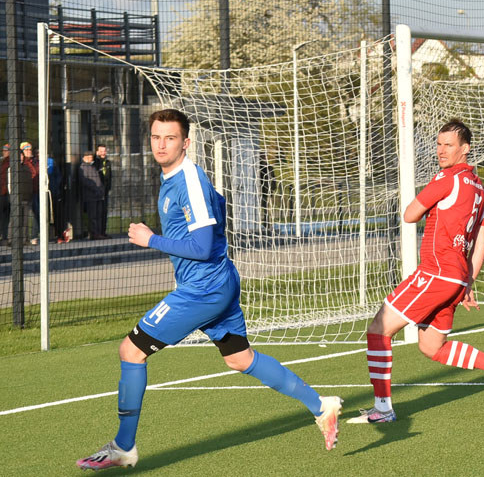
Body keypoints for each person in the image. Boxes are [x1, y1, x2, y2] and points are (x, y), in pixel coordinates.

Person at [76, 109, 342, 471]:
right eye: (156, 137)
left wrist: (149, 238)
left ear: (185, 142)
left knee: (131, 351)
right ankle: (321, 405)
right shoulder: (177, 177)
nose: (161, 144)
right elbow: (219, 209)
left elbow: (201, 247)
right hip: (218, 281)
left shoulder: (189, 181)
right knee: (239, 358)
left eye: (170, 138)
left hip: (204, 287)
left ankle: (123, 447)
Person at [347, 118, 484, 424]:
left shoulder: (447, 177)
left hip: (436, 271)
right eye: (439, 144)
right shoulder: (479, 190)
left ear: (465, 149)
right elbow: (483, 239)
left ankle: (383, 408)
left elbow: (410, 214)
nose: (441, 150)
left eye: (448, 145)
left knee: (378, 330)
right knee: (431, 347)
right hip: (455, 278)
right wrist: (467, 283)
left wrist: (434, 202)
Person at [79, 151, 106, 240]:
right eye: (90, 157)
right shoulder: (83, 167)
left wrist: (100, 189)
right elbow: (84, 181)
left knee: (98, 215)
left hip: (97, 194)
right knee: (93, 216)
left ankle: (98, 232)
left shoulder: (92, 167)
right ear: (85, 157)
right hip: (91, 196)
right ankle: (94, 233)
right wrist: (95, 188)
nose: (91, 159)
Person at [19, 142, 40, 245]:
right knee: (25, 217)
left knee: (34, 216)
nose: (29, 152)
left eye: (30, 150)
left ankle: (32, 236)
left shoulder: (34, 162)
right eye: (27, 150)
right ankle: (26, 237)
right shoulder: (24, 164)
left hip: (35, 192)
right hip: (26, 193)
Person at [94, 144, 112, 236]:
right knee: (98, 213)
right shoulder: (95, 163)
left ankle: (103, 232)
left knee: (104, 212)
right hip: (97, 191)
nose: (103, 153)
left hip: (105, 191)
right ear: (97, 152)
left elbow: (110, 176)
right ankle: (97, 232)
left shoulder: (108, 162)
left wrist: (108, 188)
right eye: (101, 151)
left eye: (104, 151)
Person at [0, 144, 10, 246]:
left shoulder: (9, 162)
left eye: (6, 150)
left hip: (7, 194)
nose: (4, 152)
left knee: (5, 217)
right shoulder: (2, 162)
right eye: (4, 150)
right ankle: (4, 236)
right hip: (2, 193)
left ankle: (5, 237)